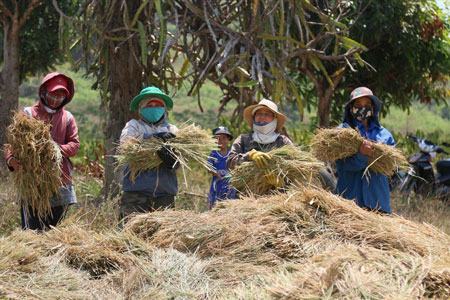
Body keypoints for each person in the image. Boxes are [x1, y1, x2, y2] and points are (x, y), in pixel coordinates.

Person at [4, 72, 80, 230]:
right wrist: (10, 159)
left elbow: (74, 145)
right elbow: (13, 143)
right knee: (32, 232)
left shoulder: (67, 117)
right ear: (44, 92)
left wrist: (54, 148)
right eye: (53, 93)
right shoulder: (28, 114)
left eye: (61, 95)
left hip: (60, 183)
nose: (56, 98)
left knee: (55, 233)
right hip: (33, 182)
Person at [119, 86, 179, 221]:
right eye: (149, 105)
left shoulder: (172, 130)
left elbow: (180, 161)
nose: (153, 108)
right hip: (137, 193)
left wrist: (172, 161)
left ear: (164, 108)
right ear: (141, 109)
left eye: (157, 105)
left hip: (165, 193)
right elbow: (126, 144)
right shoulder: (133, 126)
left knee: (163, 236)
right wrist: (153, 139)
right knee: (132, 233)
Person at [335, 87, 395, 213]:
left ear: (373, 108)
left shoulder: (384, 135)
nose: (363, 108)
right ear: (351, 109)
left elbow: (391, 169)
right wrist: (361, 155)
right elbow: (342, 166)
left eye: (367, 104)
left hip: (378, 205)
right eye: (358, 105)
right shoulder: (342, 134)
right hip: (349, 204)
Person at [227, 98, 293, 189]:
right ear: (254, 117)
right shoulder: (243, 139)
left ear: (274, 119)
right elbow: (229, 163)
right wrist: (249, 156)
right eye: (258, 114)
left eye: (267, 114)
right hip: (245, 196)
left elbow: (295, 168)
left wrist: (281, 183)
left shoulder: (283, 142)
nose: (262, 116)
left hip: (277, 197)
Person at [207, 126, 237, 209]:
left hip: (230, 185)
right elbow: (208, 167)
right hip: (217, 184)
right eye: (218, 139)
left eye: (224, 138)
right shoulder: (213, 154)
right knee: (215, 206)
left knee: (230, 206)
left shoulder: (232, 154)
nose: (221, 141)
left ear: (228, 140)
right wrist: (216, 174)